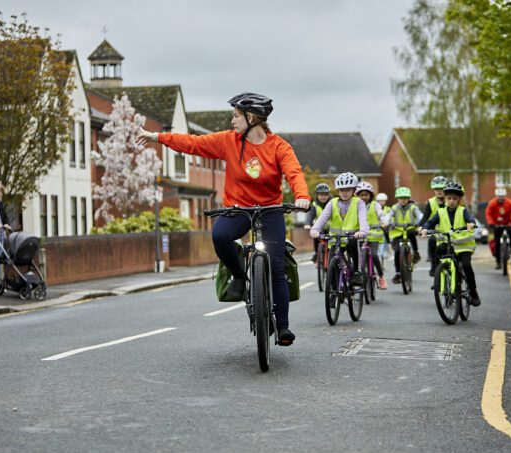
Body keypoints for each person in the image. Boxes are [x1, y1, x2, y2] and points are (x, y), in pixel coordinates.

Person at [136, 92, 310, 346]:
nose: (232, 121)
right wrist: (157, 137)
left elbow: (294, 173)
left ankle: (283, 327)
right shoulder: (229, 141)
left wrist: (302, 196)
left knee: (276, 266)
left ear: (252, 118)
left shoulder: (279, 147)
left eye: (236, 116)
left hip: (270, 210)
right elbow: (193, 143)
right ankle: (239, 275)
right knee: (220, 236)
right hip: (238, 209)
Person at [420, 181, 481, 306]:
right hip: (447, 243)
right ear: (445, 199)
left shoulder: (463, 211)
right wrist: (425, 228)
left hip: (463, 245)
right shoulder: (441, 212)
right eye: (449, 198)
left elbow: (471, 219)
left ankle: (473, 292)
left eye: (454, 198)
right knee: (438, 252)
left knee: (466, 265)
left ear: (459, 199)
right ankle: (441, 278)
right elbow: (430, 222)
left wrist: (470, 223)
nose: (451, 201)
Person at [309, 172, 368, 283]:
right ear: (338, 191)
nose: (344, 193)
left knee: (354, 244)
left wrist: (362, 231)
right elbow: (322, 218)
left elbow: (363, 219)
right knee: (332, 262)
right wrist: (315, 229)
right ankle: (333, 287)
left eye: (348, 190)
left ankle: (355, 272)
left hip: (351, 237)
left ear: (353, 190)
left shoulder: (359, 203)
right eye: (341, 190)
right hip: (335, 239)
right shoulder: (332, 203)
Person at [354, 181, 389, 290]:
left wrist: (384, 222)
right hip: (360, 235)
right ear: (358, 196)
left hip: (374, 235)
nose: (364, 197)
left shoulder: (375, 205)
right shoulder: (355, 205)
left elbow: (381, 215)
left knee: (374, 254)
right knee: (360, 257)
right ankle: (360, 275)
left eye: (366, 195)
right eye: (361, 195)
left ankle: (381, 277)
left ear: (370, 196)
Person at [386, 187, 422, 284]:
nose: (403, 200)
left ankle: (416, 252)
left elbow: (419, 215)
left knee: (412, 235)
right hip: (398, 231)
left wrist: (420, 223)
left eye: (405, 198)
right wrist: (386, 222)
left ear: (408, 198)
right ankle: (398, 273)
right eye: (401, 198)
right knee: (397, 251)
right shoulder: (394, 208)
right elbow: (388, 216)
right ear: (397, 199)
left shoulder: (412, 207)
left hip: (410, 229)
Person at [485, 188, 511, 270]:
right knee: (497, 243)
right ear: (496, 196)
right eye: (499, 196)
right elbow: (488, 213)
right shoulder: (492, 203)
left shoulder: (510, 203)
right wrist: (490, 223)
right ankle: (498, 262)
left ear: (504, 196)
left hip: (507, 223)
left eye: (502, 197)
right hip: (496, 225)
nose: (500, 198)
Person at [418, 176, 448, 275]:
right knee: (432, 241)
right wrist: (420, 227)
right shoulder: (430, 202)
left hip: (450, 231)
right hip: (436, 232)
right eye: (436, 189)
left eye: (441, 189)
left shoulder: (451, 200)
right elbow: (425, 217)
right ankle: (434, 267)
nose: (439, 191)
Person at [306, 183, 331, 263]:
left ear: (328, 195)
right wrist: (307, 223)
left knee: (333, 244)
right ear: (317, 195)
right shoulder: (314, 205)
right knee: (316, 236)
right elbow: (310, 215)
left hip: (332, 228)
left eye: (325, 194)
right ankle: (317, 253)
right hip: (320, 228)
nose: (323, 197)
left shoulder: (333, 203)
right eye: (321, 195)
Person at [375, 192, 391, 260]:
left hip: (385, 226)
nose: (381, 202)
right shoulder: (375, 208)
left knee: (387, 233)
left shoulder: (388, 209)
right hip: (377, 226)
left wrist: (389, 222)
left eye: (383, 201)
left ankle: (389, 247)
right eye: (380, 201)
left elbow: (391, 217)